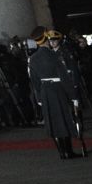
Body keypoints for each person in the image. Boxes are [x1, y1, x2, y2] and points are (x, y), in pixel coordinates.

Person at [29, 30, 85, 159]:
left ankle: (61, 151)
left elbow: (34, 80)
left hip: (44, 91)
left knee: (52, 121)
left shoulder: (33, 57)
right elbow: (64, 76)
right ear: (46, 40)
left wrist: (39, 97)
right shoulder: (53, 55)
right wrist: (73, 95)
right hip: (57, 89)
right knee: (63, 119)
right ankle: (68, 151)